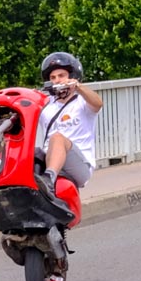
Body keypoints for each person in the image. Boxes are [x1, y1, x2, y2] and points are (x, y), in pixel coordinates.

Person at [35, 51, 104, 196]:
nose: (57, 80)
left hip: (80, 164)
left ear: (71, 77)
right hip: (51, 158)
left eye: (61, 76)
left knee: (57, 137)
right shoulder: (46, 105)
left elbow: (98, 103)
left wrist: (78, 87)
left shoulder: (82, 102)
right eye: (53, 77)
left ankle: (48, 180)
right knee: (31, 153)